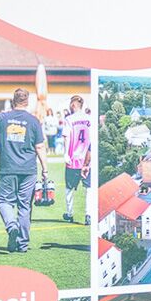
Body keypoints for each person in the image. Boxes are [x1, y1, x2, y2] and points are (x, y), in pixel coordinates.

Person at [0, 88, 47, 254]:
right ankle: (22, 244)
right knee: (25, 206)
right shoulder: (34, 121)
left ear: (13, 101)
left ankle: (11, 225)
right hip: (29, 170)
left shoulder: (3, 117)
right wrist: (45, 170)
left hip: (8, 169)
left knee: (4, 201)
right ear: (27, 102)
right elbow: (40, 147)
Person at [62, 94, 93, 223]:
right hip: (87, 158)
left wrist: (66, 154)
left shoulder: (69, 119)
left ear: (74, 105)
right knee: (88, 188)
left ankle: (69, 213)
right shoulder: (89, 119)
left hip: (73, 159)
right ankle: (88, 215)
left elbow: (66, 137)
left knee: (69, 188)